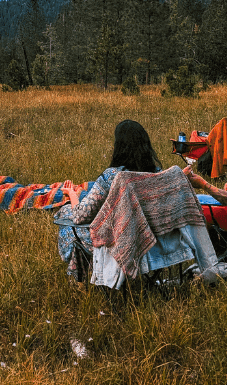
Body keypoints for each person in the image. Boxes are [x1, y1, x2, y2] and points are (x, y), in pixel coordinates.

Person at [55, 119, 162, 279]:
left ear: (119, 147)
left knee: (65, 213)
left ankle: (77, 277)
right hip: (150, 241)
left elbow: (80, 216)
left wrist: (72, 194)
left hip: (117, 244)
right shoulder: (157, 174)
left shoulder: (112, 176)